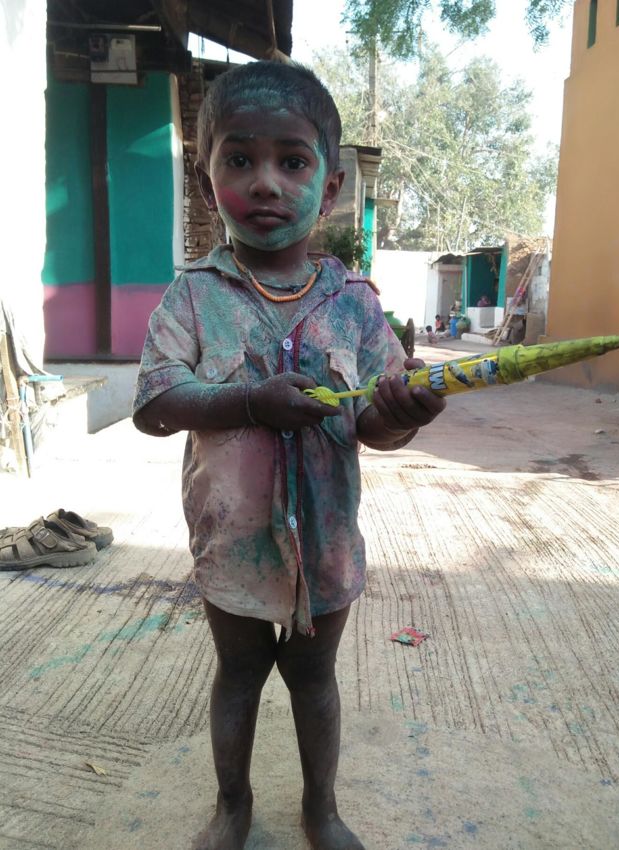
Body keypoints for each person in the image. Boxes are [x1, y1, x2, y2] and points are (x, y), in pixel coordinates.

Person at [132, 60, 446, 850]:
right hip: (232, 544)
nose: (266, 182)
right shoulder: (192, 296)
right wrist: (248, 402)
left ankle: (322, 809)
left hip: (327, 546)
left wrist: (405, 417)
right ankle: (231, 805)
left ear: (330, 187)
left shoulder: (357, 307)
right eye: (239, 158)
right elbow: (155, 401)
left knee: (313, 677)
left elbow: (374, 424)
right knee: (239, 672)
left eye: (293, 161)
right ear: (207, 185)